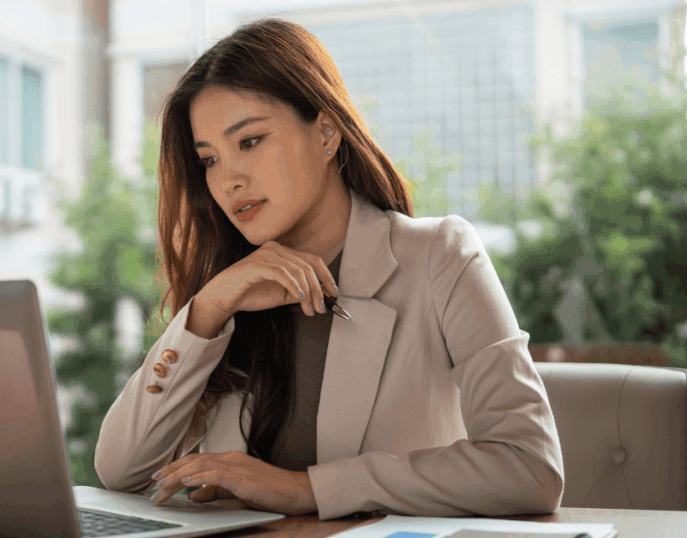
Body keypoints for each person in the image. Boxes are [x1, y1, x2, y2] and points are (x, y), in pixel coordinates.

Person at [94, 18, 564, 520]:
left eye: (249, 141)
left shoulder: (439, 256)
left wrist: (307, 489)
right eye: (209, 160)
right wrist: (208, 309)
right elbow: (122, 471)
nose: (229, 180)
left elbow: (529, 467)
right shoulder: (231, 293)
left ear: (325, 133)